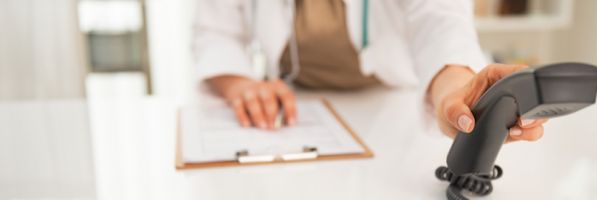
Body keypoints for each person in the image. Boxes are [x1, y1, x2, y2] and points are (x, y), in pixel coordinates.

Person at [192, 0, 548, 142]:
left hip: (394, 107)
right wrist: (240, 85)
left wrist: (455, 94)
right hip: (293, 109)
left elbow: (440, 24)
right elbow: (214, 31)